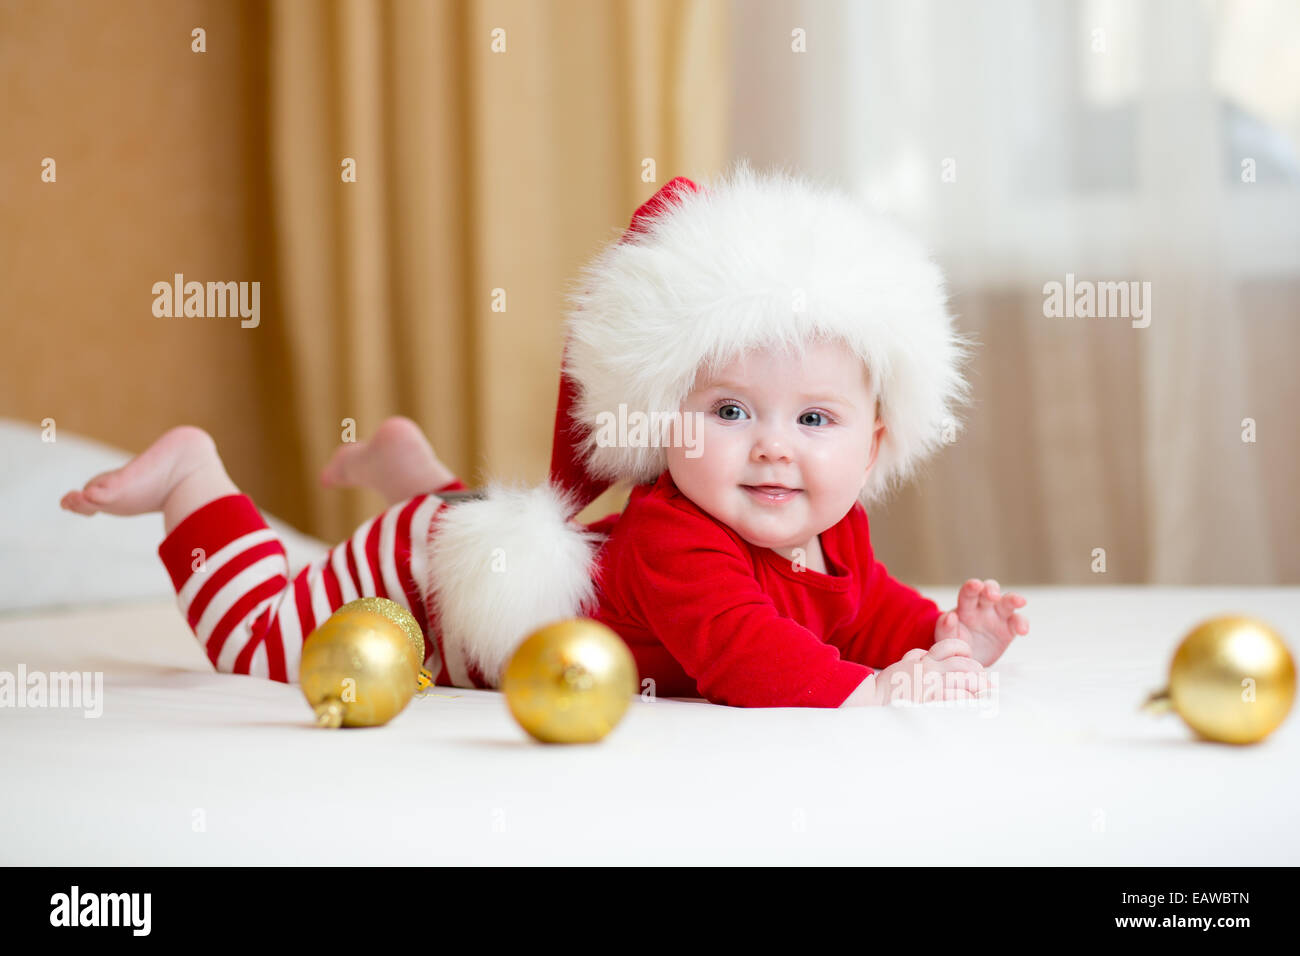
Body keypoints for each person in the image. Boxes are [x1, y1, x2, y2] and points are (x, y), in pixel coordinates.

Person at [60, 160, 1029, 707]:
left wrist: (944, 638)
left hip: (479, 540)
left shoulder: (829, 529)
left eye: (814, 419)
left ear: (875, 439)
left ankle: (422, 475)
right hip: (429, 584)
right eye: (729, 411)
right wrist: (877, 695)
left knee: (478, 521)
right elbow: (746, 652)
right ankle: (195, 480)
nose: (772, 446)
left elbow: (863, 609)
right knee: (259, 641)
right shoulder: (672, 537)